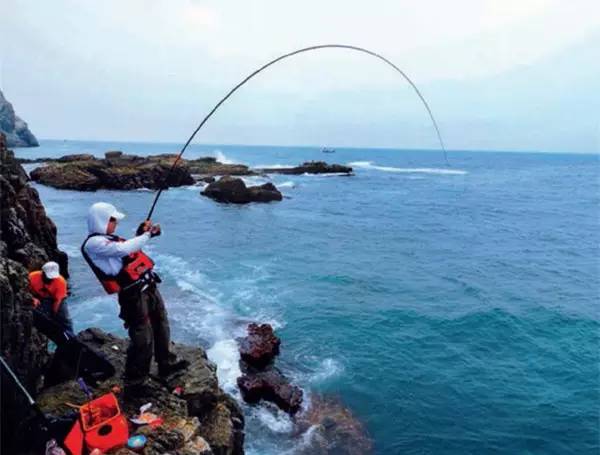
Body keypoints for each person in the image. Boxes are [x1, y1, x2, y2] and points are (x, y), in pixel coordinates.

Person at [81, 202, 188, 396]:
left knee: (161, 324)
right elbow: (122, 250)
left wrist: (141, 233)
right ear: (101, 220)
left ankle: (166, 364)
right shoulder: (93, 244)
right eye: (112, 220)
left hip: (149, 286)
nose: (115, 224)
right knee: (142, 337)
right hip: (133, 295)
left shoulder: (108, 239)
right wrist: (147, 235)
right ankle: (135, 381)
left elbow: (126, 249)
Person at [29, 261, 73, 333]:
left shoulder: (61, 282)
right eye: (48, 277)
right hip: (38, 296)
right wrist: (32, 298)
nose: (50, 279)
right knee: (42, 315)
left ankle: (71, 335)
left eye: (52, 277)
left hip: (56, 298)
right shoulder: (32, 277)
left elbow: (57, 301)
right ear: (43, 273)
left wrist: (54, 314)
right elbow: (24, 291)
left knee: (65, 318)